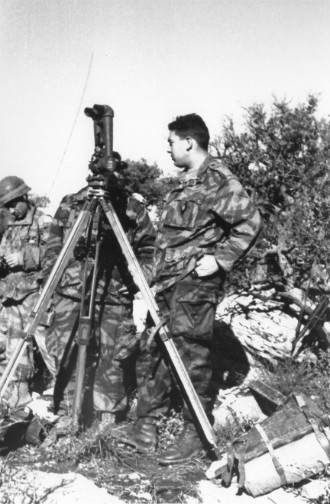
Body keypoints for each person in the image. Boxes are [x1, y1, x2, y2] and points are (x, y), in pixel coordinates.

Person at [112, 113, 262, 465]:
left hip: (194, 288)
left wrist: (221, 259)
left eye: (171, 142)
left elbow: (250, 222)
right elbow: (171, 241)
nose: (168, 149)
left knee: (191, 356)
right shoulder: (184, 182)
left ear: (189, 142)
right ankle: (145, 428)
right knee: (155, 352)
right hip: (166, 285)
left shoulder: (218, 179)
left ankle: (194, 433)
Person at [43, 153, 156, 431]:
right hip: (71, 293)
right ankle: (68, 412)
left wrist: (134, 283)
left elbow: (150, 252)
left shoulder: (131, 208)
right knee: (66, 351)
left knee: (113, 357)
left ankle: (106, 417)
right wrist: (55, 281)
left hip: (114, 296)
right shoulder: (71, 203)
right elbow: (52, 248)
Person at [0, 176, 57, 409]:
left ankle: (63, 393)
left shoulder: (44, 222)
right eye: (7, 206)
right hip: (11, 296)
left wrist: (24, 258)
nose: (12, 210)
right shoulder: (7, 228)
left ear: (25, 197)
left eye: (15, 203)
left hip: (37, 294)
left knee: (48, 344)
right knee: (13, 349)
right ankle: (17, 396)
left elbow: (58, 255)